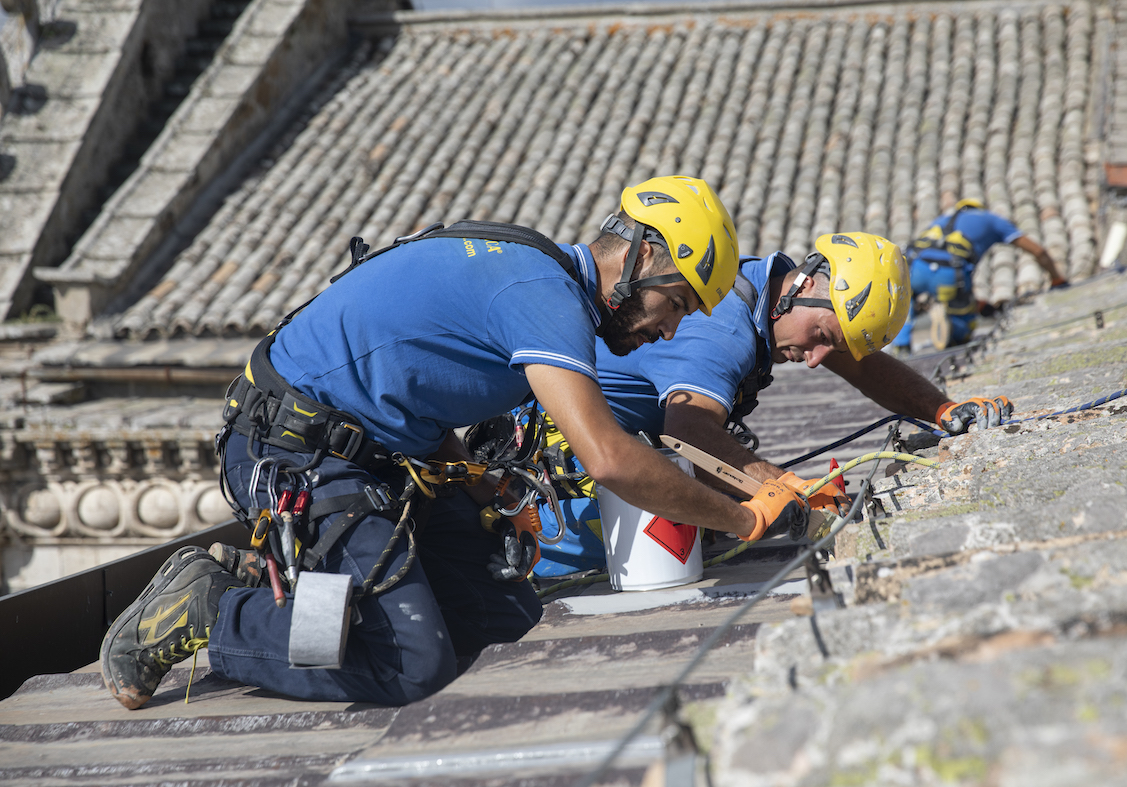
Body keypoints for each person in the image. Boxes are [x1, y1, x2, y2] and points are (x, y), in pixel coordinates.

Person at [97, 175, 825, 711]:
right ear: (639, 260)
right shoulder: (542, 297)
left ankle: (285, 592)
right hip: (292, 452)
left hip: (369, 454)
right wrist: (741, 516)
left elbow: (416, 382)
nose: (669, 331)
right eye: (673, 306)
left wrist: (478, 485)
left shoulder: (536, 277)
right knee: (411, 663)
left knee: (501, 614)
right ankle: (208, 612)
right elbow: (607, 457)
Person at [529, 231, 1016, 577]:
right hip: (560, 486)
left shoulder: (771, 295)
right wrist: (788, 487)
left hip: (626, 460)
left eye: (834, 348)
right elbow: (689, 429)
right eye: (823, 337)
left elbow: (864, 367)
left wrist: (941, 410)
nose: (815, 361)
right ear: (806, 284)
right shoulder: (726, 330)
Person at [892, 198, 1069, 354]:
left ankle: (902, 345)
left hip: (915, 268)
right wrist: (1056, 279)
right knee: (961, 329)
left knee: (905, 303)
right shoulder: (992, 219)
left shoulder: (941, 220)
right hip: (950, 274)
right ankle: (954, 341)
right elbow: (1038, 251)